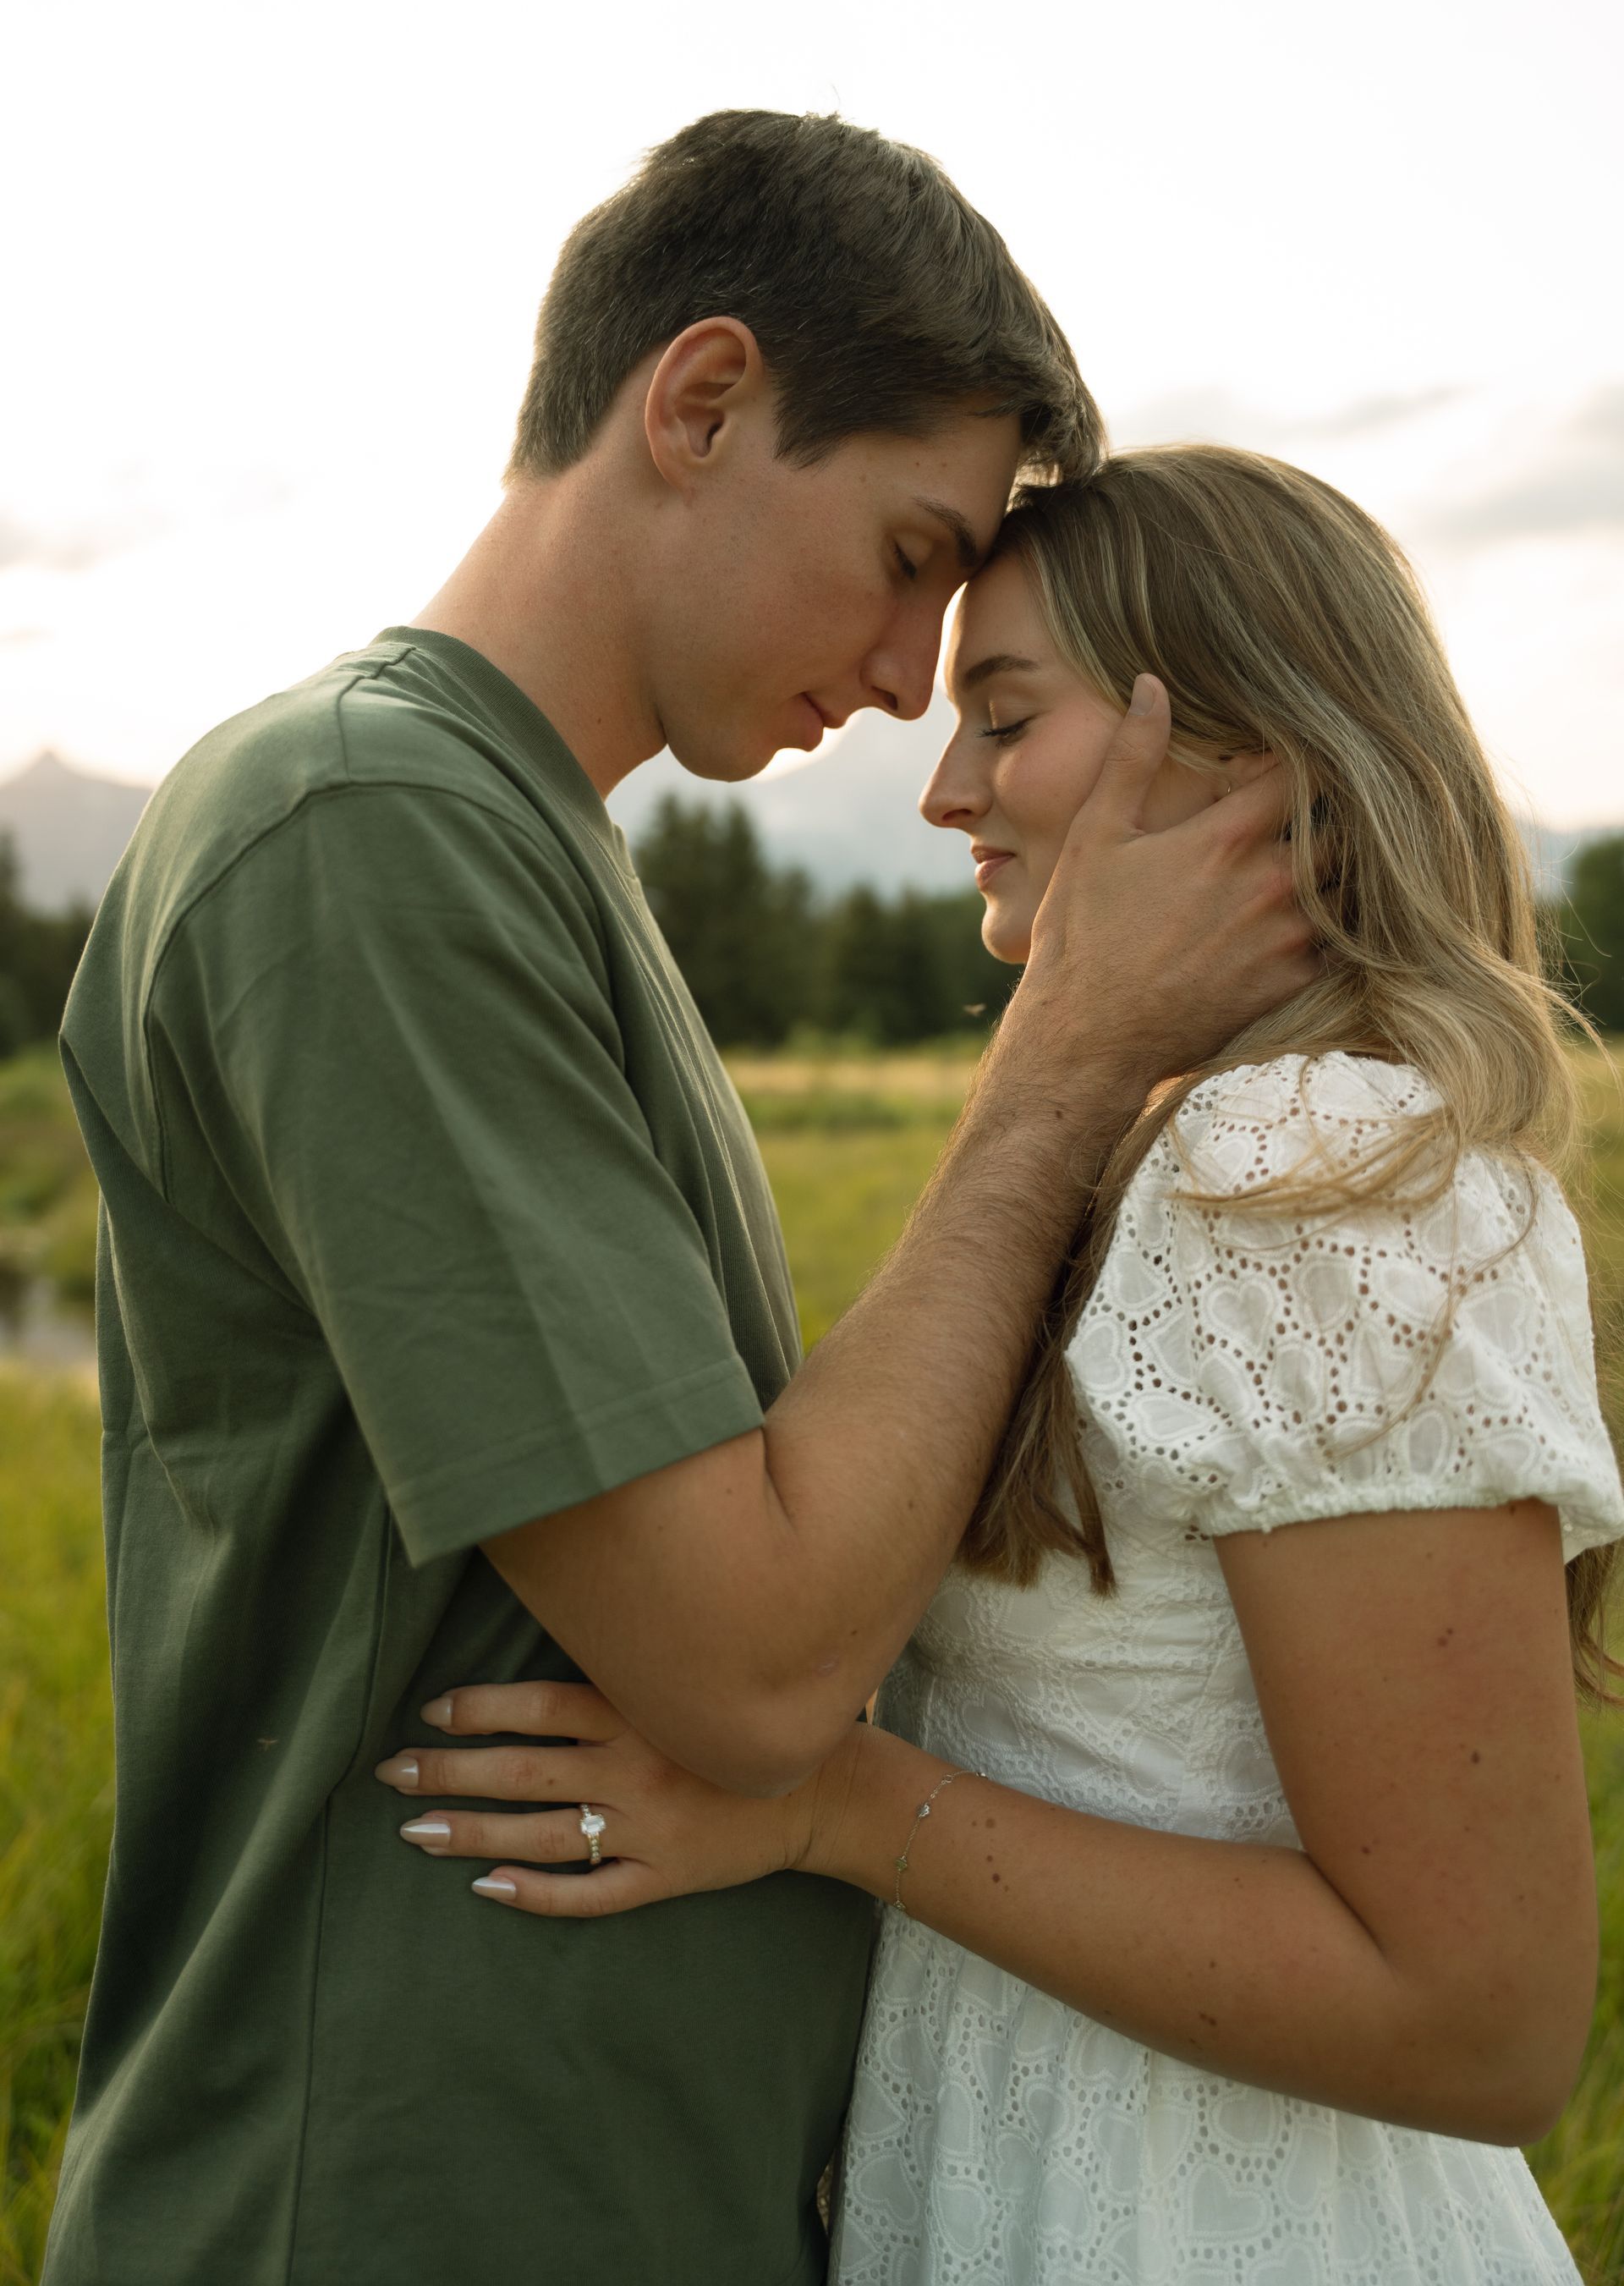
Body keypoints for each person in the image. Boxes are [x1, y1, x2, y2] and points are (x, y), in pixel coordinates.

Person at [44, 122, 1314, 2286]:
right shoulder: (363, 834)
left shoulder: (526, 851)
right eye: (911, 552)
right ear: (702, 401)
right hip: (385, 2212)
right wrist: (1072, 1056)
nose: (916, 672)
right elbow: (745, 1670)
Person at [398, 448, 1624, 2284]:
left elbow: (1485, 2018)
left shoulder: (1308, 1172)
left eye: (1004, 713)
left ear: (1240, 755)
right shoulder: (1175, 1150)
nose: (946, 784)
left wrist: (829, 1806)